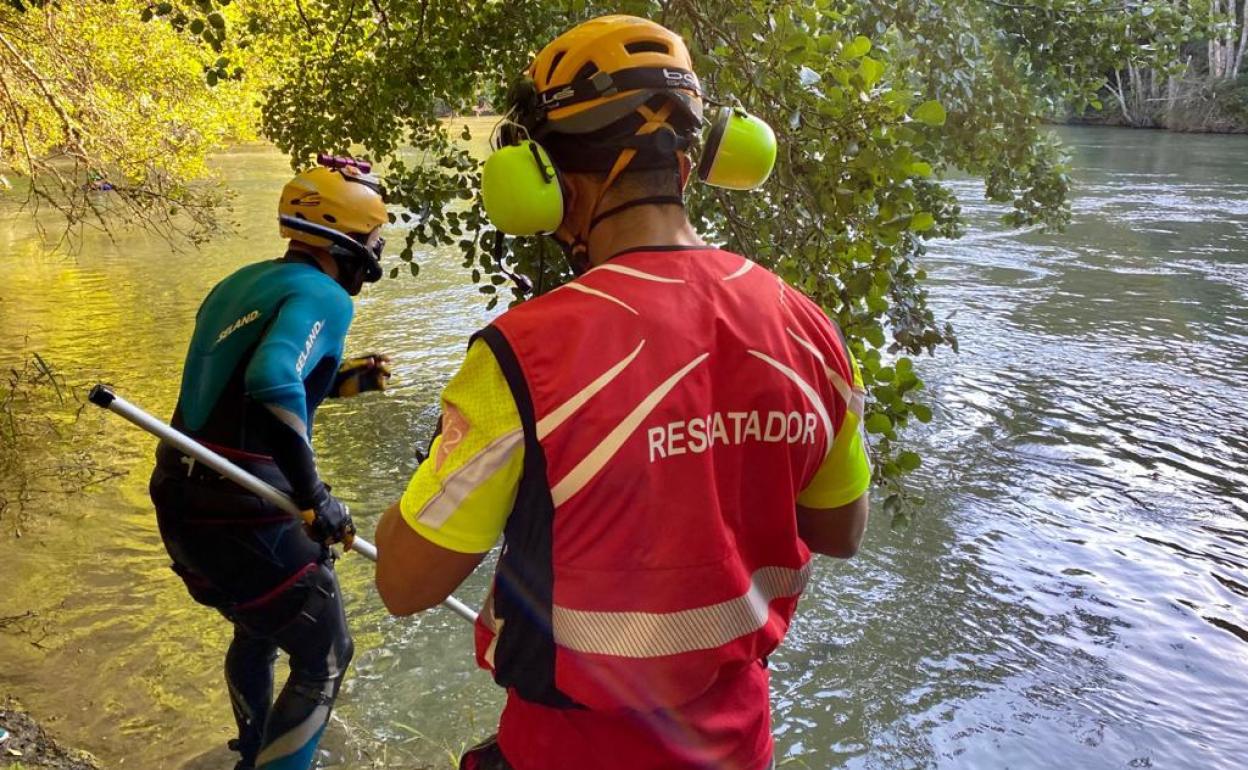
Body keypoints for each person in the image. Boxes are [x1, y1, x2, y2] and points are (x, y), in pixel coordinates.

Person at [374, 15, 871, 770]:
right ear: (698, 160)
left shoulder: (523, 354)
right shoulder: (809, 326)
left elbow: (404, 582)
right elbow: (841, 532)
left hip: (566, 752)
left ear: (542, 176)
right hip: (742, 744)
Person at [149, 157, 392, 770]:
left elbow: (239, 395)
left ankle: (254, 753)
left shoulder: (239, 283)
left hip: (180, 501)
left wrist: (340, 383)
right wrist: (315, 495)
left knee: (256, 631)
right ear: (351, 238)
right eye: (374, 236)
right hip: (246, 515)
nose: (376, 248)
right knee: (325, 657)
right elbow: (272, 377)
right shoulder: (327, 296)